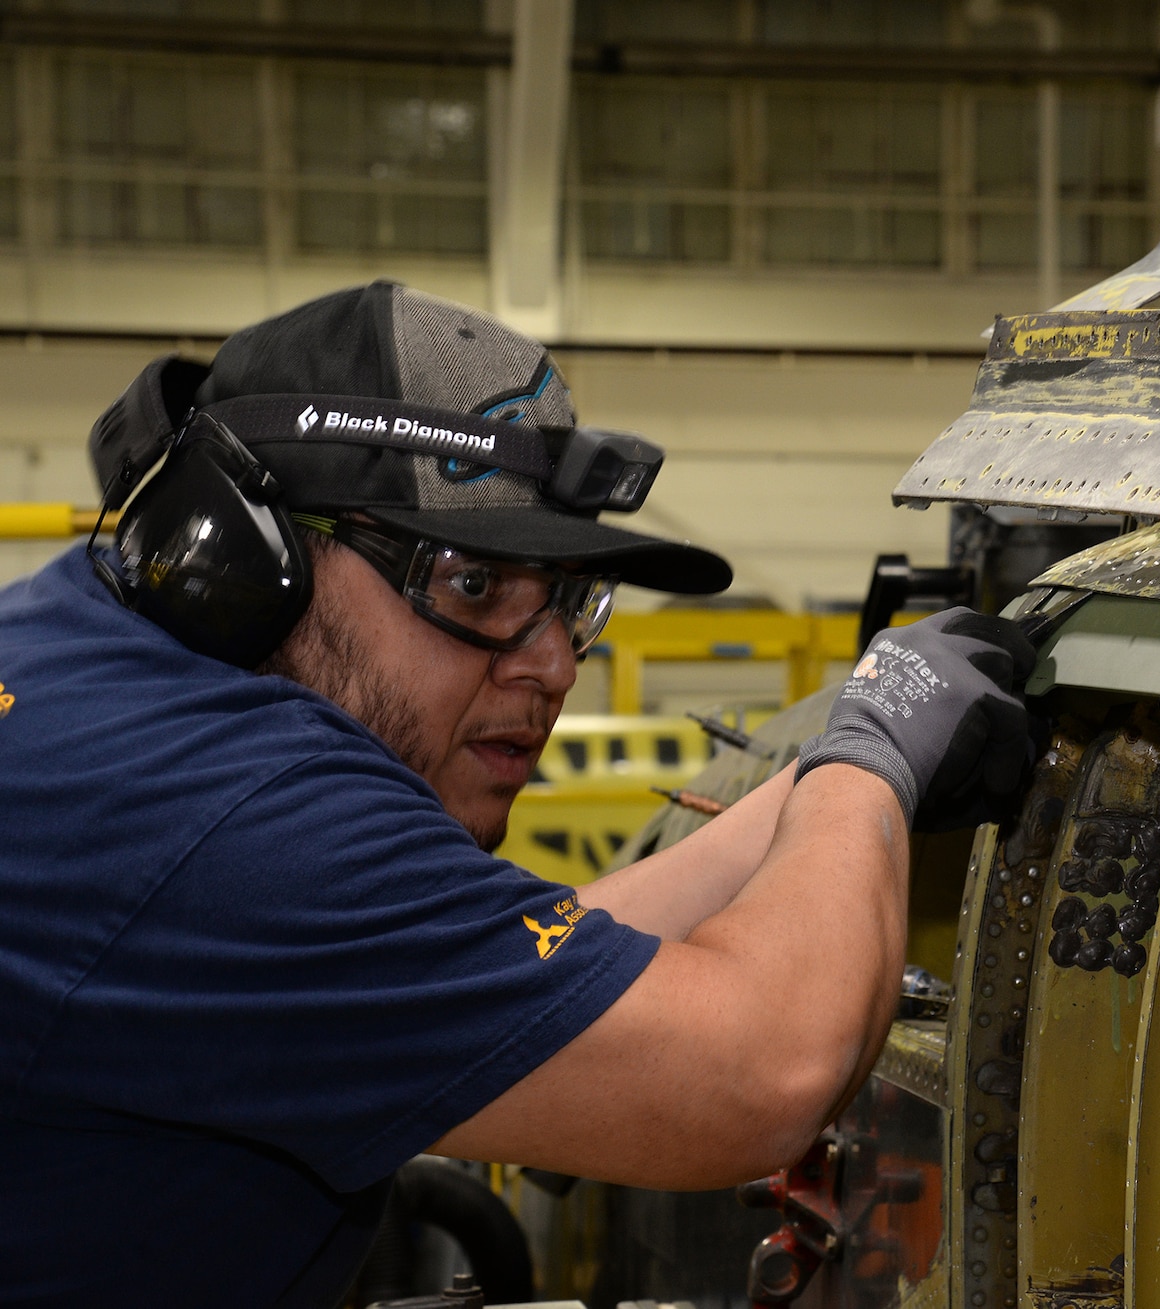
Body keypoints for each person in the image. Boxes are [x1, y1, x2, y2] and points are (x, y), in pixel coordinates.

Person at [0, 281, 1039, 1305]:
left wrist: (838, 779)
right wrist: (866, 770)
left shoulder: (84, 670)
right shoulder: (241, 821)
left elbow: (470, 958)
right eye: (473, 585)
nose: (551, 665)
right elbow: (763, 1073)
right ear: (240, 555)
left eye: (568, 604)